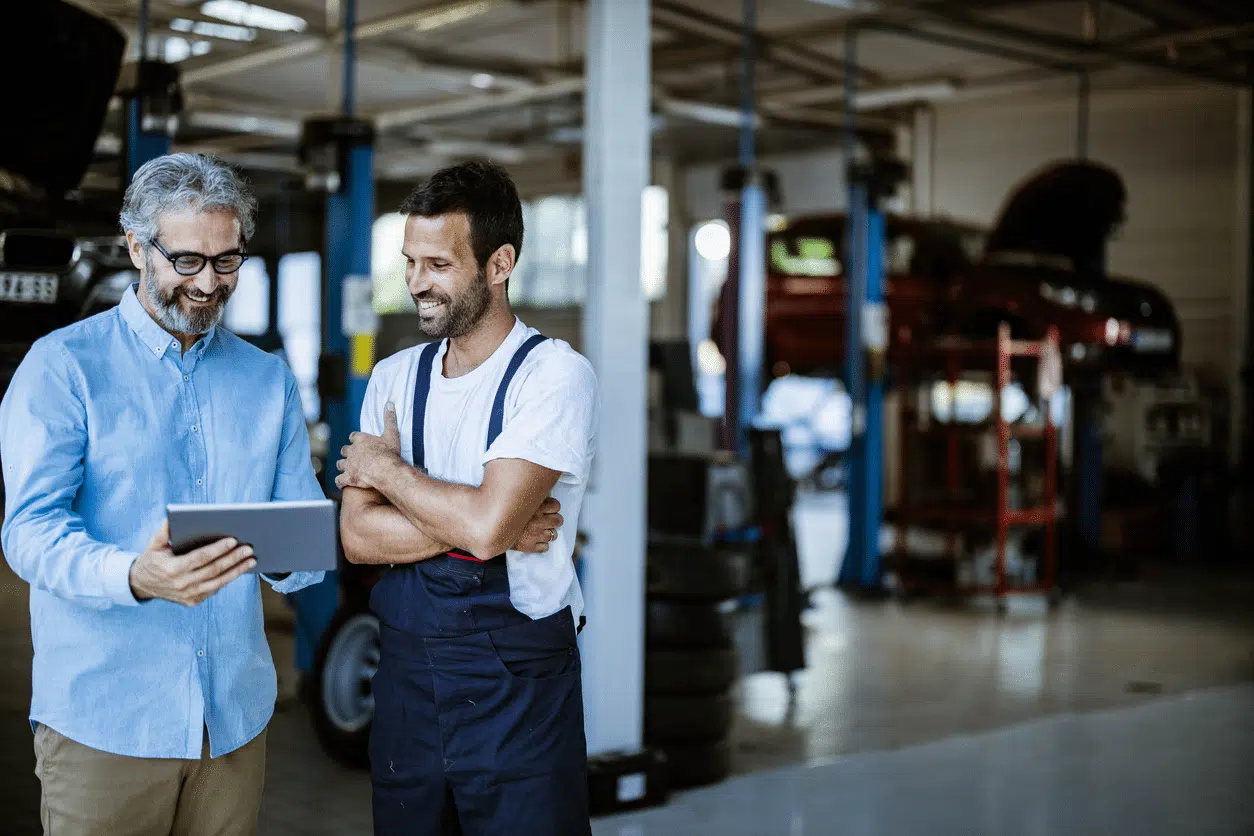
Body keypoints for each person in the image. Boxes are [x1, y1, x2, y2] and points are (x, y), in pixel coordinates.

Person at [0, 152, 325, 835]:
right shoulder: (63, 368)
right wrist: (134, 575)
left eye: (227, 260)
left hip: (232, 724)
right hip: (107, 724)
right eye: (186, 261)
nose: (208, 283)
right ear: (136, 247)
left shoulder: (267, 381)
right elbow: (28, 532)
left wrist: (295, 550)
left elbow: (302, 544)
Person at [336, 159, 600, 836]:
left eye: (438, 264)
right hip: (406, 687)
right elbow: (359, 538)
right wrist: (494, 521)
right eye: (409, 261)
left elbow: (482, 529)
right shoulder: (394, 377)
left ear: (499, 263)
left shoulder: (552, 376)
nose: (417, 283)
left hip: (517, 697)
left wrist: (389, 474)